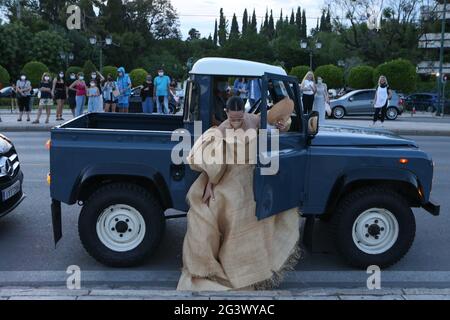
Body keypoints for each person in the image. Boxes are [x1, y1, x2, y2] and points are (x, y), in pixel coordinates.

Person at [177, 96, 300, 291]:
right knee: (224, 206)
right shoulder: (222, 130)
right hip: (230, 174)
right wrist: (210, 183)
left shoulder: (255, 119)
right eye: (233, 118)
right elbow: (216, 163)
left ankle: (258, 267)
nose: (237, 121)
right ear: (226, 113)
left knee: (261, 209)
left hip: (253, 172)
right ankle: (232, 268)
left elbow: (276, 124)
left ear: (244, 112)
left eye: (240, 117)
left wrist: (281, 126)